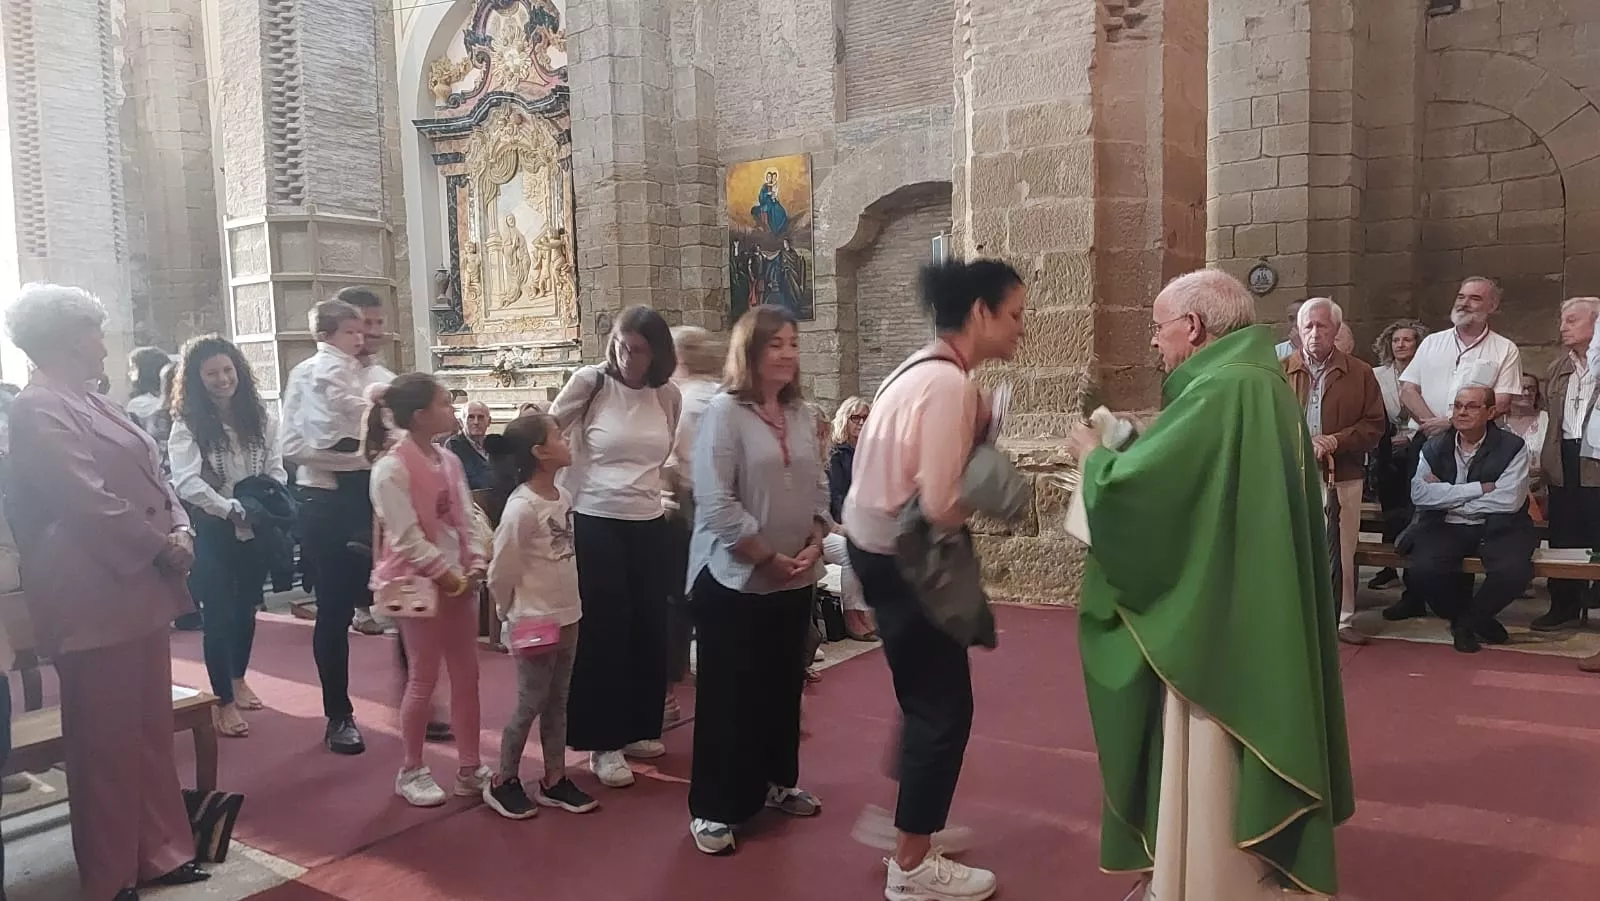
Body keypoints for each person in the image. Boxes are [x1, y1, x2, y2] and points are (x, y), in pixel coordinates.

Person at [1071, 269, 1353, 900]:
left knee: (1211, 746)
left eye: (1158, 328)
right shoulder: (1258, 382)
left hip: (1218, 620)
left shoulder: (1223, 389)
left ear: (1193, 327)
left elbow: (1137, 497)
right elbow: (1196, 486)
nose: (1154, 342)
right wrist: (1138, 445)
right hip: (1250, 601)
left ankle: (1205, 882)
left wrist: (1093, 458)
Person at [6, 284, 211, 901]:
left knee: (148, 728)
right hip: (90, 588)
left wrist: (181, 525)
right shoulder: (38, 407)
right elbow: (84, 499)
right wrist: (160, 545)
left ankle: (161, 851)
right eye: (95, 330)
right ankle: (110, 871)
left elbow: (155, 474)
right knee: (103, 741)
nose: (104, 342)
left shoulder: (96, 399)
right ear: (69, 339)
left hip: (137, 580)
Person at [843, 259, 1027, 901]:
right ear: (980, 312)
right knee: (943, 708)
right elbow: (943, 504)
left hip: (874, 548)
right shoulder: (949, 384)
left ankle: (909, 826)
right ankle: (913, 864)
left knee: (926, 698)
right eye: (1014, 314)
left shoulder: (916, 367)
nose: (1022, 328)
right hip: (906, 560)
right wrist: (996, 481)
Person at [685, 305, 827, 855]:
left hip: (795, 575)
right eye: (776, 344)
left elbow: (818, 486)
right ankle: (714, 807)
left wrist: (815, 537)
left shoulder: (800, 413)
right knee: (731, 696)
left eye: (793, 343)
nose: (788, 353)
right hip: (736, 579)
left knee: (781, 688)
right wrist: (764, 555)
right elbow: (715, 500)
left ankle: (776, 781)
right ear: (750, 351)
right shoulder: (724, 413)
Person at [548, 306, 681, 789]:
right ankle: (602, 741)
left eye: (639, 350)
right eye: (622, 345)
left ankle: (638, 726)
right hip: (595, 516)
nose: (627, 356)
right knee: (606, 628)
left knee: (649, 624)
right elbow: (546, 431)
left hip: (647, 518)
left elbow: (663, 453)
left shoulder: (667, 395)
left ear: (657, 353)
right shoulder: (591, 382)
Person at [366, 373, 490, 806]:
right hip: (419, 583)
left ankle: (470, 766)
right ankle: (412, 768)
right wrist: (447, 576)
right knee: (423, 677)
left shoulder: (449, 460)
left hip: (459, 579)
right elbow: (406, 538)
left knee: (468, 675)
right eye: (444, 403)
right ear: (420, 415)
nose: (452, 410)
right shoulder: (391, 468)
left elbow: (466, 517)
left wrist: (476, 561)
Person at [481, 413, 599, 820]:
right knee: (530, 702)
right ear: (539, 452)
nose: (566, 442)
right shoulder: (522, 508)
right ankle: (504, 780)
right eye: (558, 437)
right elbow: (501, 570)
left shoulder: (562, 497)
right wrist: (507, 612)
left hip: (568, 614)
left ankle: (554, 778)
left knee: (558, 701)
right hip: (534, 620)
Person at [168, 335, 287, 739]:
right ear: (197, 379)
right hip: (214, 527)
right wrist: (228, 507)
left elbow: (276, 467)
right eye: (212, 373)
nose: (222, 379)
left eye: (227, 370)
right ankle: (223, 700)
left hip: (256, 524)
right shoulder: (189, 423)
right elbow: (185, 480)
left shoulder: (261, 417)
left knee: (247, 606)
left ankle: (238, 677)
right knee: (218, 614)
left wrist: (263, 498)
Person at [281, 298, 379, 754]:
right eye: (355, 330)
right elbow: (292, 446)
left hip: (374, 497)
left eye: (368, 328)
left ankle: (424, 705)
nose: (363, 337)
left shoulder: (374, 376)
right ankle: (339, 714)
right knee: (335, 611)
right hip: (325, 501)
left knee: (405, 599)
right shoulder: (308, 374)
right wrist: (358, 458)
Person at [1402, 384, 1537, 653]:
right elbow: (1420, 495)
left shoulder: (1512, 446)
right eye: (1458, 406)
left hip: (1499, 526)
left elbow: (1508, 500)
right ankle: (1473, 620)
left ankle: (1467, 622)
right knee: (1423, 570)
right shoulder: (1434, 446)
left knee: (1514, 571)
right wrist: (1477, 489)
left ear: (1491, 412)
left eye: (1472, 406)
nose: (1462, 412)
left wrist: (1446, 496)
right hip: (1445, 525)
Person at [1283, 298, 1386, 644]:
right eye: (1308, 326)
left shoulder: (1360, 373)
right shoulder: (1280, 371)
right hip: (1291, 474)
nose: (1315, 333)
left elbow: (1374, 425)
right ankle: (1292, 618)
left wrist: (1336, 441)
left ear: (1337, 330)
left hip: (1341, 474)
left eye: (1322, 326)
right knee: (1290, 545)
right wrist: (1300, 441)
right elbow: (1267, 422)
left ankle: (1342, 620)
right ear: (1298, 331)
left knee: (1341, 549)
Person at [664, 325, 725, 724]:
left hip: (689, 509)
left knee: (675, 604)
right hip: (725, 510)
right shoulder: (723, 395)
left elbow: (669, 462)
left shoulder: (682, 400)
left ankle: (667, 696)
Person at [1537, 298, 1600, 632]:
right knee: (1563, 535)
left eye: (1572, 320)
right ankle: (1563, 604)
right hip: (1564, 454)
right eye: (1562, 320)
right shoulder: (1557, 367)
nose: (1563, 327)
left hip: (1597, 456)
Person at [1368, 319, 1429, 590]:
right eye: (1396, 340)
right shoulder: (1377, 375)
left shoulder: (1428, 372)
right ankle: (1388, 566)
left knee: (1414, 508)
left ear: (1418, 344)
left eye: (1407, 340)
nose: (1400, 344)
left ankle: (1415, 571)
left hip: (1420, 445)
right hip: (1388, 449)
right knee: (1391, 510)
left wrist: (1413, 435)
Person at [447, 401, 495, 491]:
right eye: (471, 417)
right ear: (461, 422)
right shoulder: (454, 445)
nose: (476, 422)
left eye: (480, 417)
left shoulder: (494, 444)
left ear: (489, 422)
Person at [124, 346, 170, 431]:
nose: (129, 373)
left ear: (144, 371)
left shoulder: (138, 404)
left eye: (132, 368)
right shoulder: (173, 400)